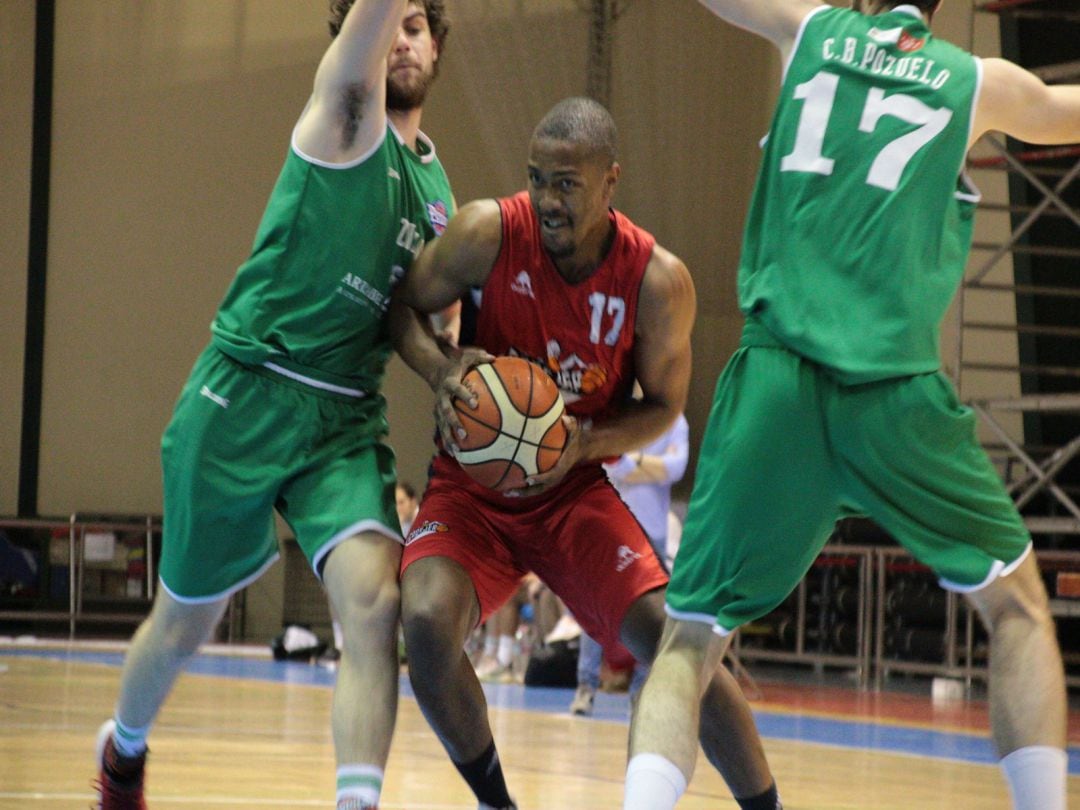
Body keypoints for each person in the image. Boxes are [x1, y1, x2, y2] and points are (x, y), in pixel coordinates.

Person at [625, 3, 1080, 809]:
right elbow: (1066, 113)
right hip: (893, 392)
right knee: (1016, 611)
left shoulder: (807, 27)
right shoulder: (976, 80)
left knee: (690, 641)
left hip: (777, 385)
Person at [93, 3, 453, 810]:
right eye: (392, 20)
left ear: (438, 47)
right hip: (246, 391)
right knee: (186, 622)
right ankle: (122, 752)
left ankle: (357, 802)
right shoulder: (343, 113)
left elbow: (423, 320)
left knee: (375, 603)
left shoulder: (437, 190)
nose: (403, 37)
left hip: (343, 420)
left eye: (421, 25)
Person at [390, 96, 781, 810]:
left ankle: (767, 806)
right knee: (422, 622)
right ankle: (496, 804)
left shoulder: (657, 281)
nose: (545, 198)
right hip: (471, 491)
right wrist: (441, 367)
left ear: (610, 183)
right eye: (537, 178)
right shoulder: (488, 232)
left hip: (572, 491)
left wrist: (586, 443)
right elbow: (402, 305)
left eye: (566, 183)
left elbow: (663, 407)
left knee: (677, 645)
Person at [571, 409, 690, 715]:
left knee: (653, 612)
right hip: (615, 528)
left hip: (654, 532)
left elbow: (675, 468)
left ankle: (640, 691)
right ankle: (586, 685)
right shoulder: (616, 415)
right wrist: (646, 466)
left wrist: (630, 462)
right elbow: (609, 467)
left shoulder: (674, 421)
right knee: (595, 609)